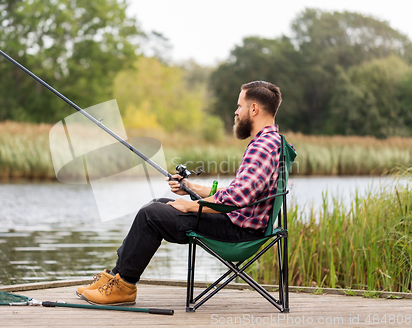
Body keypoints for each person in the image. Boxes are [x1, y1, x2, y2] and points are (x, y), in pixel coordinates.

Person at [77, 80, 284, 306]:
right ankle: (116, 277)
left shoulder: (262, 147)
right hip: (238, 224)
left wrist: (190, 206)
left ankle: (124, 286)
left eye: (239, 106)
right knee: (158, 203)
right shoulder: (271, 142)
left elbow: (237, 198)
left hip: (238, 232)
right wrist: (191, 189)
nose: (236, 112)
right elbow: (243, 191)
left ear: (253, 109)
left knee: (151, 215)